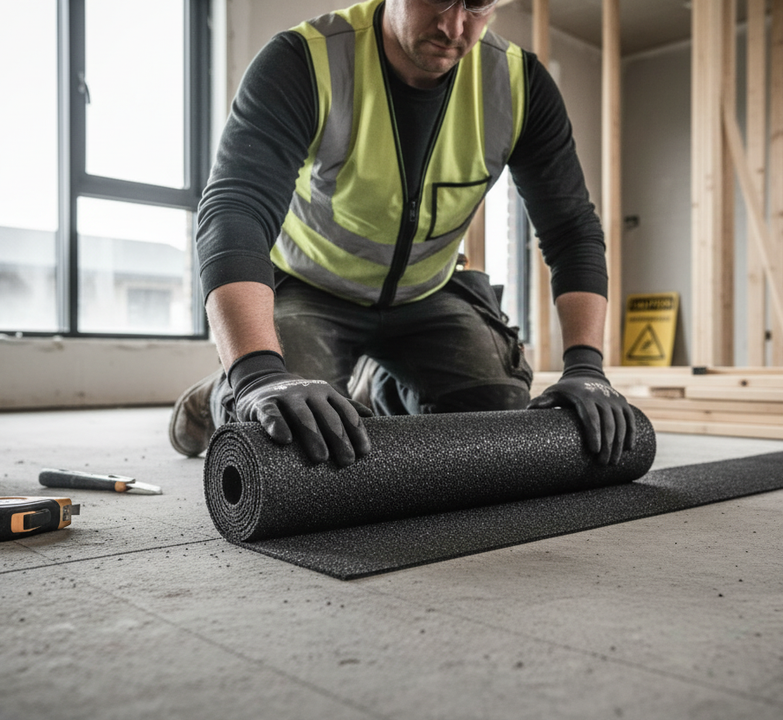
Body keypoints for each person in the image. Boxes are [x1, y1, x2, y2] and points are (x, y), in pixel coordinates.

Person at [169, 0, 635, 467]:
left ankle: (380, 383)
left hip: (426, 292)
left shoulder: (517, 84)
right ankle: (219, 391)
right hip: (312, 287)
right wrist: (255, 371)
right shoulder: (304, 59)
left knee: (498, 415)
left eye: (478, 5)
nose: (454, 27)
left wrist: (586, 366)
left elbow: (572, 230)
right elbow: (235, 208)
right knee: (291, 430)